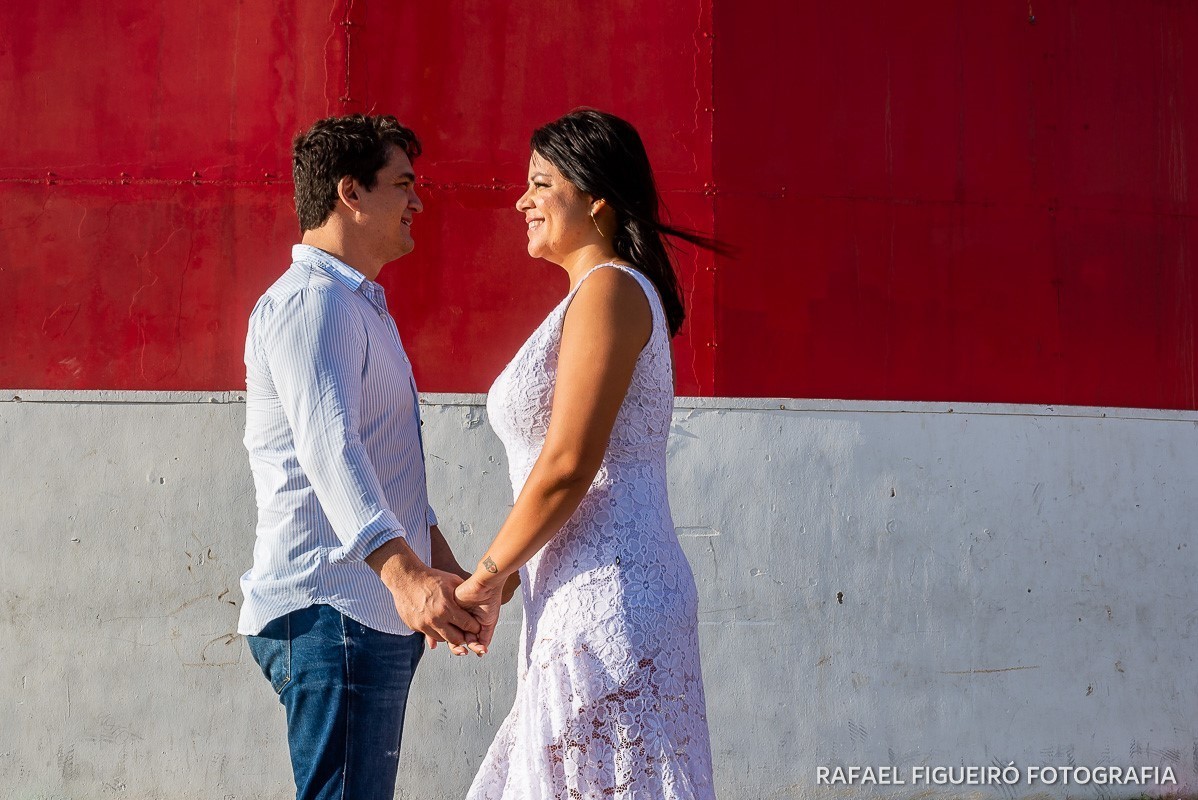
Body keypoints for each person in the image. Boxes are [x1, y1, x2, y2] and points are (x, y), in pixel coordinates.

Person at [456, 109, 719, 799]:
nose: (523, 200)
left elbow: (570, 463)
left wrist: (485, 577)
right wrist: (510, 573)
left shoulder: (609, 290)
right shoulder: (593, 295)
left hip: (609, 600)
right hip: (577, 597)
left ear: (596, 199)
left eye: (541, 183)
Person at [238, 113, 482, 800]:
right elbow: (330, 450)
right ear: (351, 192)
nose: (418, 201)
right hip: (333, 610)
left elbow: (379, 462)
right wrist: (406, 577)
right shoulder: (313, 304)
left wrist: (438, 567)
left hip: (358, 611)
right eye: (402, 184)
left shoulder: (355, 306)